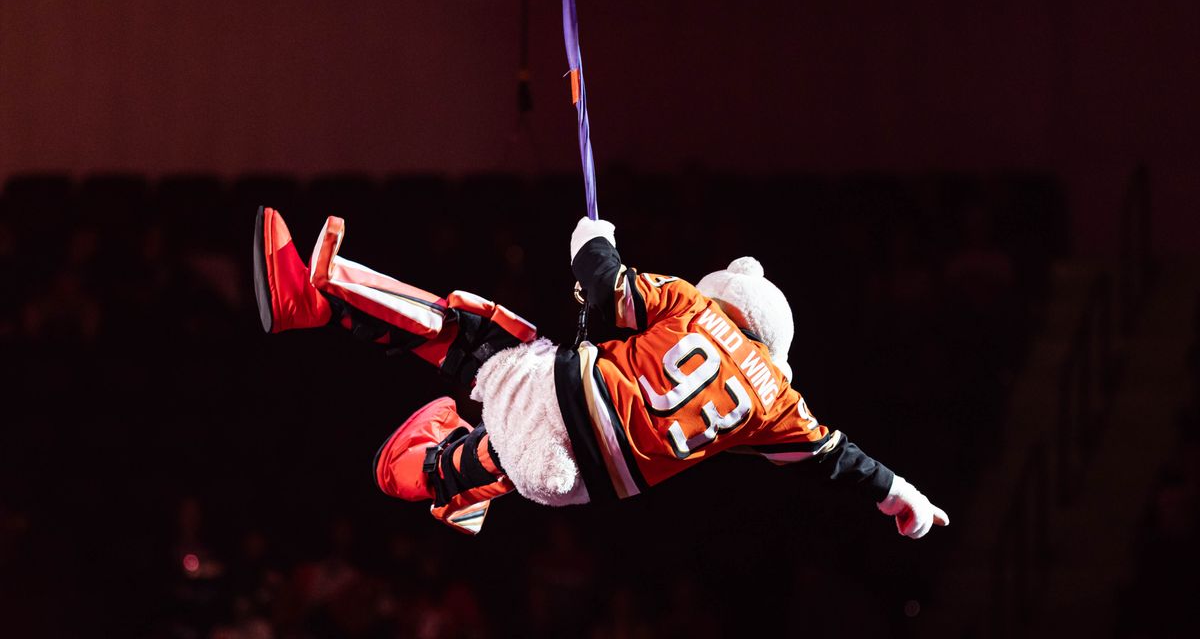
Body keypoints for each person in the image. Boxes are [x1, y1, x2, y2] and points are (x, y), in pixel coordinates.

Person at [253, 206, 949, 539]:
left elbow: (606, 284)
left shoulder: (692, 305)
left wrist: (594, 237)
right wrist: (904, 497)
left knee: (482, 336)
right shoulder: (779, 402)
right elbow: (840, 459)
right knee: (525, 442)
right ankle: (449, 482)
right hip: (573, 491)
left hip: (559, 409)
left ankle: (316, 301)